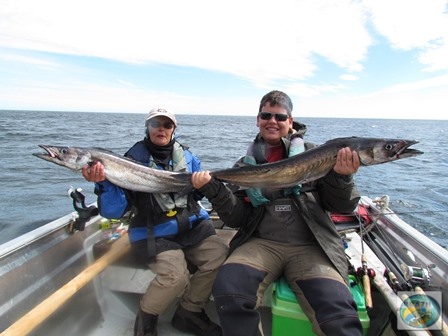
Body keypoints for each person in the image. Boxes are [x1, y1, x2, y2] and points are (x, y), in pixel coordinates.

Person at [191, 90, 363, 336]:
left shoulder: (320, 154)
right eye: (266, 115)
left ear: (290, 122)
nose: (273, 121)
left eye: (280, 117)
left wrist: (342, 177)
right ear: (258, 119)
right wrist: (213, 189)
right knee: (230, 290)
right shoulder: (243, 165)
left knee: (339, 313)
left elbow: (343, 207)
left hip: (312, 246)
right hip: (261, 244)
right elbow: (236, 218)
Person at [82, 108, 228, 336]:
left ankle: (189, 312)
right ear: (147, 128)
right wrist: (104, 184)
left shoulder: (189, 158)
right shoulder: (128, 161)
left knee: (221, 258)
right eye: (155, 123)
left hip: (193, 227)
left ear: (173, 130)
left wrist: (206, 186)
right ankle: (146, 320)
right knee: (175, 276)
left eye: (167, 124)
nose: (161, 128)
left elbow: (198, 196)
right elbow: (114, 211)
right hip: (154, 233)